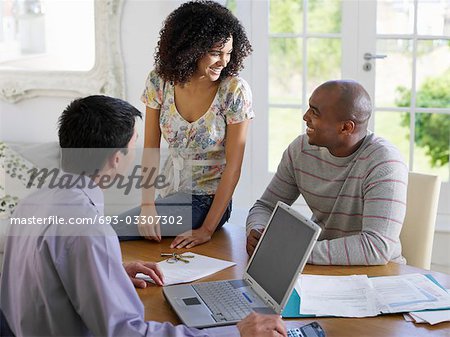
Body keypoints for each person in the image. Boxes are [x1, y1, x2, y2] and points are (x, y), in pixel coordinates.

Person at [0, 96, 285, 337]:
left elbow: (41, 279)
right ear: (116, 158)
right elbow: (127, 332)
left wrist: (108, 273)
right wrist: (235, 332)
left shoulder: (33, 203)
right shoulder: (89, 230)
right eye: (133, 144)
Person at [112, 1, 253, 249]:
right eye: (215, 52)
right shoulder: (160, 80)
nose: (224, 61)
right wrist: (147, 205)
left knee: (109, 231)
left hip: (207, 202)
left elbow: (234, 167)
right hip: (169, 193)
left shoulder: (233, 90)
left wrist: (207, 229)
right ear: (190, 48)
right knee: (113, 231)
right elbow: (151, 149)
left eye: (229, 53)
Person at [246, 80, 409, 265]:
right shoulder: (300, 149)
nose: (305, 116)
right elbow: (266, 207)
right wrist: (258, 231)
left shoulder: (385, 163)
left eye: (315, 112)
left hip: (380, 276)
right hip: (321, 270)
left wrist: (294, 251)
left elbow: (376, 248)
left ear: (346, 128)